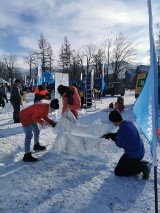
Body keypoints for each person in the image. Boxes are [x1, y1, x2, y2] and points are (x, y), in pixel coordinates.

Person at [101, 110, 151, 180]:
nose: (111, 123)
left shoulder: (123, 129)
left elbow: (120, 144)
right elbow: (121, 133)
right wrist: (112, 134)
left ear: (114, 121)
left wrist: (113, 138)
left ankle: (143, 167)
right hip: (139, 151)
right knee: (123, 165)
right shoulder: (128, 123)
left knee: (118, 171)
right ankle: (144, 163)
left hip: (133, 155)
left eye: (111, 121)